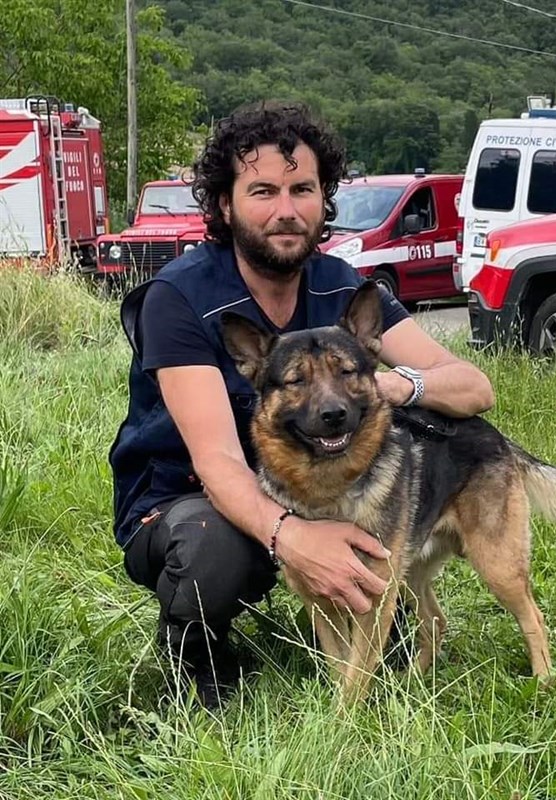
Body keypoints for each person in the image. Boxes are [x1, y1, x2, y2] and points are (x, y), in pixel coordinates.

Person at [109, 101, 494, 707]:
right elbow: (218, 463)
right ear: (225, 205)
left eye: (302, 189)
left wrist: (398, 385)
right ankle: (197, 652)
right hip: (183, 498)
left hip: (313, 488)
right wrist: (294, 539)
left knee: (383, 656)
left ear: (323, 200)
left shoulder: (341, 284)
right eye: (262, 190)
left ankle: (345, 602)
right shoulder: (179, 298)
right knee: (215, 550)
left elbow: (473, 388)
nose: (286, 210)